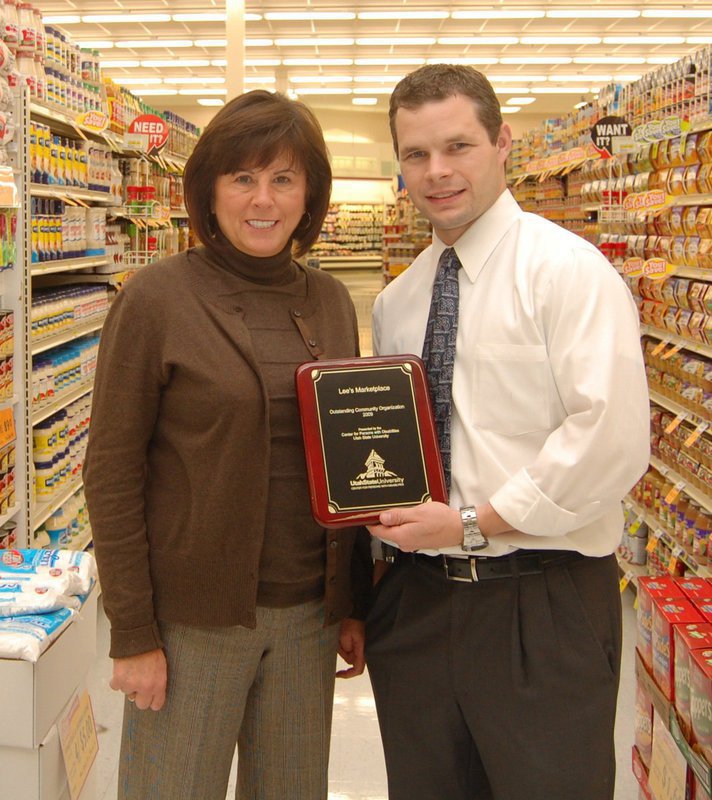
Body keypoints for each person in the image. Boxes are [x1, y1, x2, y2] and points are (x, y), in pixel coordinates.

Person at [365, 64, 650, 800]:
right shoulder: (399, 301)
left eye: (458, 146)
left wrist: (470, 522)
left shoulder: (569, 274)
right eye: (416, 155)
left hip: (542, 603)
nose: (438, 172)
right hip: (418, 602)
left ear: (503, 144)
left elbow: (609, 439)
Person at [83, 89, 372, 800]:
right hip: (190, 624)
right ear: (208, 191)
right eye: (242, 177)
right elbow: (111, 471)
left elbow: (348, 456)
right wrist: (133, 632)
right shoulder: (155, 298)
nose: (262, 199)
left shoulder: (330, 301)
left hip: (309, 620)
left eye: (283, 178)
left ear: (311, 194)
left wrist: (354, 599)